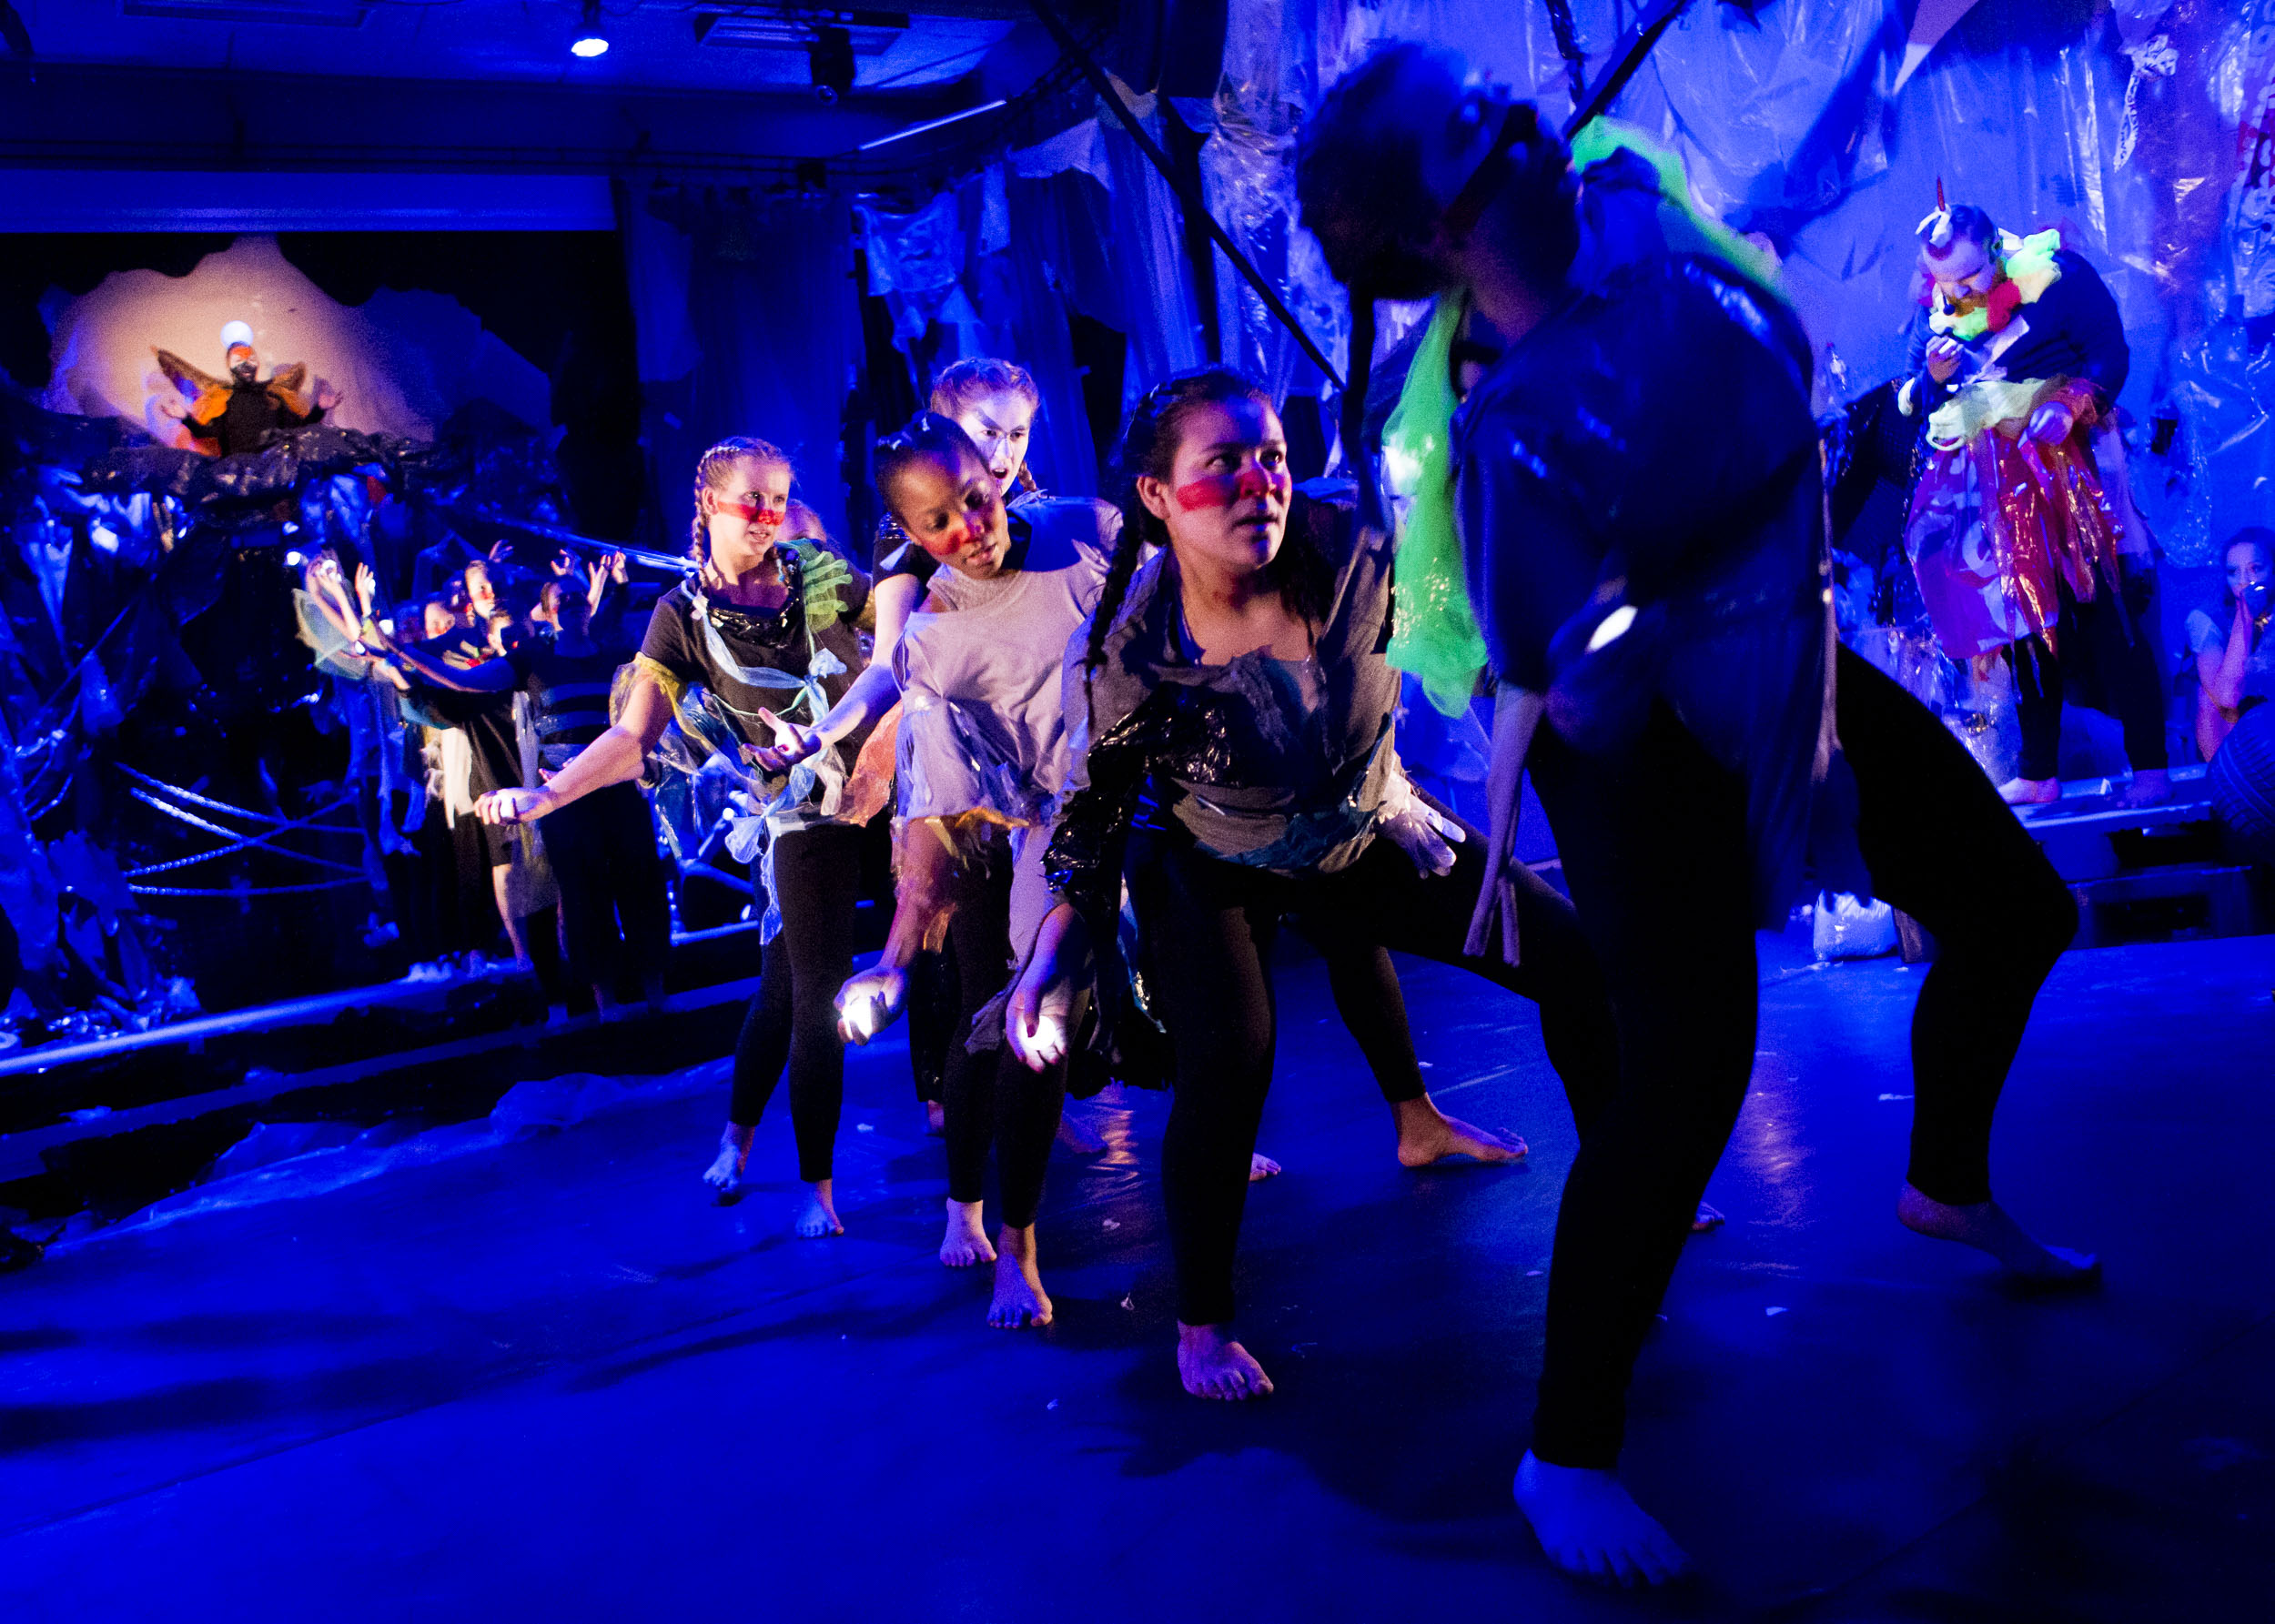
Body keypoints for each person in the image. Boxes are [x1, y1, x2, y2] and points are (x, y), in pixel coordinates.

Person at [1296, 46, 2097, 1585]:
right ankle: (1563, 1453)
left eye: (1482, 87)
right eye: (1465, 124)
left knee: (2016, 909)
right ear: (1438, 232)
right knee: (1686, 1073)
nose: (1512, 110)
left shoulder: (1614, 196)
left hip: (1780, 658)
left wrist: (1893, 46)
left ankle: (1944, 1182)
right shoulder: (1508, 434)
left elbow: (1779, 208)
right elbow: (1574, 685)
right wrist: (1651, 620)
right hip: (1638, 736)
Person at [1004, 368, 1622, 1404]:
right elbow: (1090, 818)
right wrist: (1046, 966)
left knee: (1566, 956)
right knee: (1231, 1059)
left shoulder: (1356, 545)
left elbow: (1474, 605)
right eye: (1223, 465)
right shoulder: (1129, 647)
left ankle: (1623, 1181)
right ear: (1156, 496)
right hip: (1212, 859)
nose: (1260, 484)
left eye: (1272, 458)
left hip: (1363, 820)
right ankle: (1201, 1326)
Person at [476, 437, 874, 1238]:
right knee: (803, 994)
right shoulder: (682, 617)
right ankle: (810, 1184)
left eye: (779, 497)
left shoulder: (818, 570)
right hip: (804, 813)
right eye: (752, 498)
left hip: (887, 782)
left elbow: (901, 632)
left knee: (895, 955)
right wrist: (548, 794)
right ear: (711, 504)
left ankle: (959, 1141)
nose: (768, 514)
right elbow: (633, 737)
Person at [1896, 202, 2168, 806]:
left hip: (2072, 472)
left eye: (1970, 276)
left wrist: (2071, 404)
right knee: (2022, 625)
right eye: (1946, 282)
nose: (1959, 292)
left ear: (1995, 249)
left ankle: (2151, 767)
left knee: (2106, 613)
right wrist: (1932, 378)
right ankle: (2039, 771)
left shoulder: (2058, 277)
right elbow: (1911, 400)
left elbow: (2109, 351)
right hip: (1994, 492)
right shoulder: (1938, 311)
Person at [380, 587, 668, 1014]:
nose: (571, 603)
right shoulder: (533, 660)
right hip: (566, 797)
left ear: (588, 607)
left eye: (577, 596)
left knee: (641, 886)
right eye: (561, 599)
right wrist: (404, 653)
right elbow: (465, 683)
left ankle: (658, 999)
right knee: (584, 898)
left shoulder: (619, 657)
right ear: (549, 613)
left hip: (620, 788)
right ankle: (606, 1006)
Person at [155, 320, 340, 458]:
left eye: (251, 359)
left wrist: (319, 409)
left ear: (257, 363)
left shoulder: (273, 398)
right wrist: (185, 417)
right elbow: (207, 432)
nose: (246, 364)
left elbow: (300, 427)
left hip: (274, 475)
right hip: (238, 477)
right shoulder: (226, 402)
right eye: (239, 360)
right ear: (230, 366)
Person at [2189, 528, 2275, 761]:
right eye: (2233, 572)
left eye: (2255, 569)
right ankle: (2223, 777)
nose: (2243, 581)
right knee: (2206, 698)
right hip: (2235, 728)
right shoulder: (2205, 619)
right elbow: (2227, 698)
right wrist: (2244, 616)